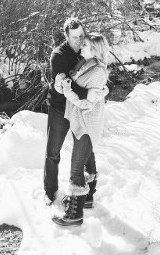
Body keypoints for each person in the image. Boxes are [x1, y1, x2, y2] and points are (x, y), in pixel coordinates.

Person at [51, 34, 110, 227]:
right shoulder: (85, 63)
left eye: (85, 45)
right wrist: (63, 84)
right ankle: (88, 198)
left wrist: (67, 89)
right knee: (88, 159)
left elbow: (85, 102)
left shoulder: (97, 71)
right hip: (82, 122)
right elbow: (78, 87)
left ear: (95, 50)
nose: (82, 47)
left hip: (86, 124)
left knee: (76, 168)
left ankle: (75, 215)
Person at [43, 17, 89, 205]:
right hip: (60, 109)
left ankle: (86, 193)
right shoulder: (59, 55)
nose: (79, 40)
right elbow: (66, 84)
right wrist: (90, 92)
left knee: (86, 152)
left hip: (80, 110)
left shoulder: (88, 50)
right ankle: (50, 191)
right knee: (53, 152)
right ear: (66, 36)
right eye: (75, 37)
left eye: (81, 35)